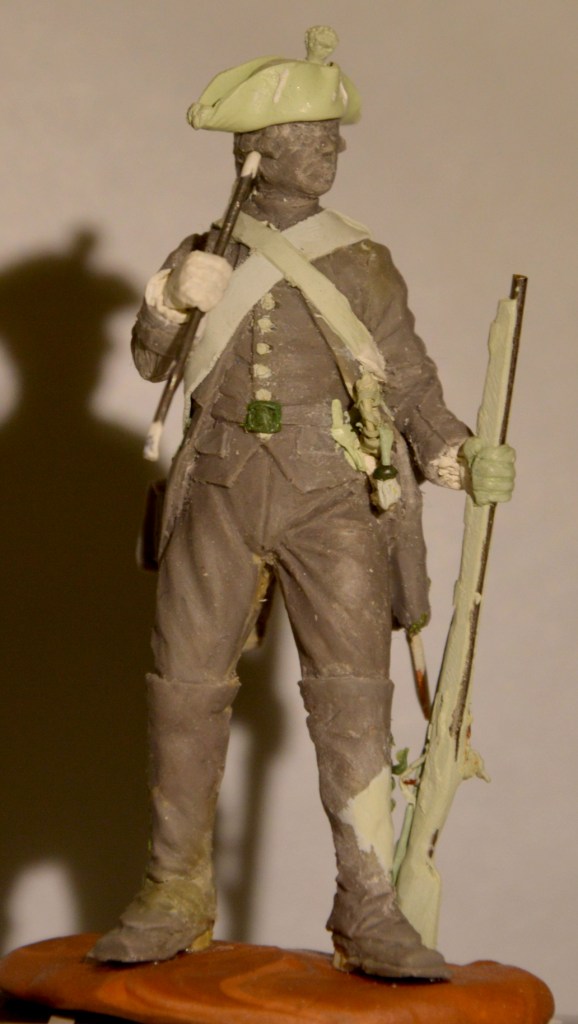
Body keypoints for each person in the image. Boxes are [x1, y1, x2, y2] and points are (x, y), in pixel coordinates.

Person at [90, 27, 514, 978]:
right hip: (218, 488)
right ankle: (172, 889)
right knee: (185, 688)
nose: (334, 149)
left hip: (332, 495)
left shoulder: (363, 263)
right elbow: (152, 363)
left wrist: (456, 455)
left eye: (332, 136)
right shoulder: (203, 252)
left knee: (353, 694)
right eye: (315, 136)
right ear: (259, 152)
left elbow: (409, 380)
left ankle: (368, 907)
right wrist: (171, 298)